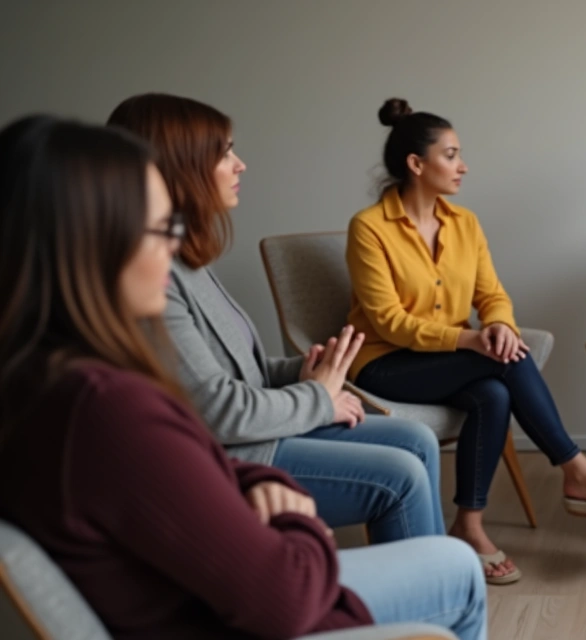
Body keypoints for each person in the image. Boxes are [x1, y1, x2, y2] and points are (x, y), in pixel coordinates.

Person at [0, 115, 486, 640]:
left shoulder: (45, 379)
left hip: (210, 593)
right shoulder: (105, 408)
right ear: (88, 241)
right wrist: (296, 518)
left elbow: (188, 463)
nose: (172, 245)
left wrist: (262, 478)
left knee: (446, 510)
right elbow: (284, 598)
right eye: (161, 227)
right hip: (239, 613)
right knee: (457, 572)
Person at [107, 93, 446, 544]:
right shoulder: (154, 279)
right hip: (226, 457)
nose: (240, 164)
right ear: (180, 168)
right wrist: (318, 398)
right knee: (399, 474)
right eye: (225, 153)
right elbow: (217, 409)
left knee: (416, 439)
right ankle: (428, 587)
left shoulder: (188, 261)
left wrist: (308, 369)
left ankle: (429, 583)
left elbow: (237, 369)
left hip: (254, 434)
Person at [345, 97, 586, 584]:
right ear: (416, 164)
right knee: (500, 366)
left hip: (448, 362)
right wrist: (470, 339)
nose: (462, 166)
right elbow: (387, 321)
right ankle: (574, 469)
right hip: (382, 365)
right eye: (450, 155)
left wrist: (499, 325)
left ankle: (469, 526)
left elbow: (492, 293)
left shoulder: (465, 224)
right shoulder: (369, 228)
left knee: (493, 390)